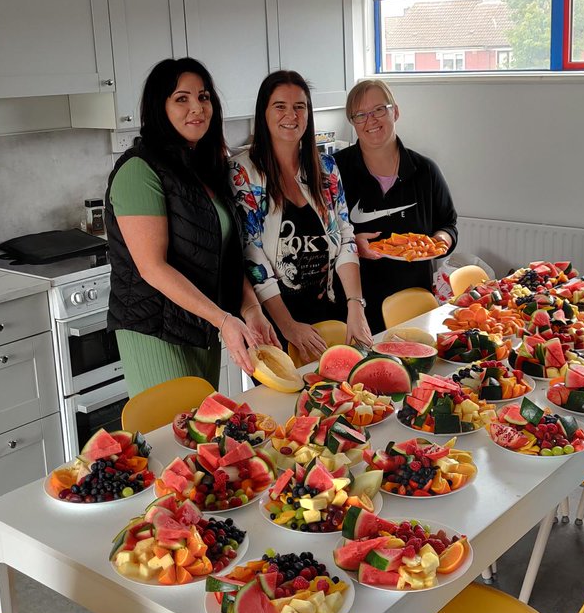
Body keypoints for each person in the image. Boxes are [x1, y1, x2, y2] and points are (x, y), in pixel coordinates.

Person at [105, 58, 277, 397]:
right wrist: (223, 319)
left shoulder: (206, 169)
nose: (197, 107)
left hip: (202, 324)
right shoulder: (138, 171)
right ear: (160, 107)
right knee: (175, 428)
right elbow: (152, 268)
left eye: (204, 97)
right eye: (181, 98)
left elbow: (225, 256)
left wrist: (251, 309)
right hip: (156, 330)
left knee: (204, 425)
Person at [230, 70, 370, 361]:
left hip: (330, 312)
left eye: (299, 106)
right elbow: (252, 256)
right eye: (280, 106)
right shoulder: (243, 172)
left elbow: (346, 236)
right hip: (273, 323)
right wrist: (288, 326)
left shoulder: (326, 168)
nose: (291, 115)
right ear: (263, 113)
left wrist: (355, 305)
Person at [335, 79, 458, 331]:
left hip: (414, 301)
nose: (371, 120)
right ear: (353, 122)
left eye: (379, 110)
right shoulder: (334, 171)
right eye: (360, 115)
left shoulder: (425, 170)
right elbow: (322, 234)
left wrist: (440, 241)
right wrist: (352, 244)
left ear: (395, 112)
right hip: (356, 305)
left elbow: (448, 223)